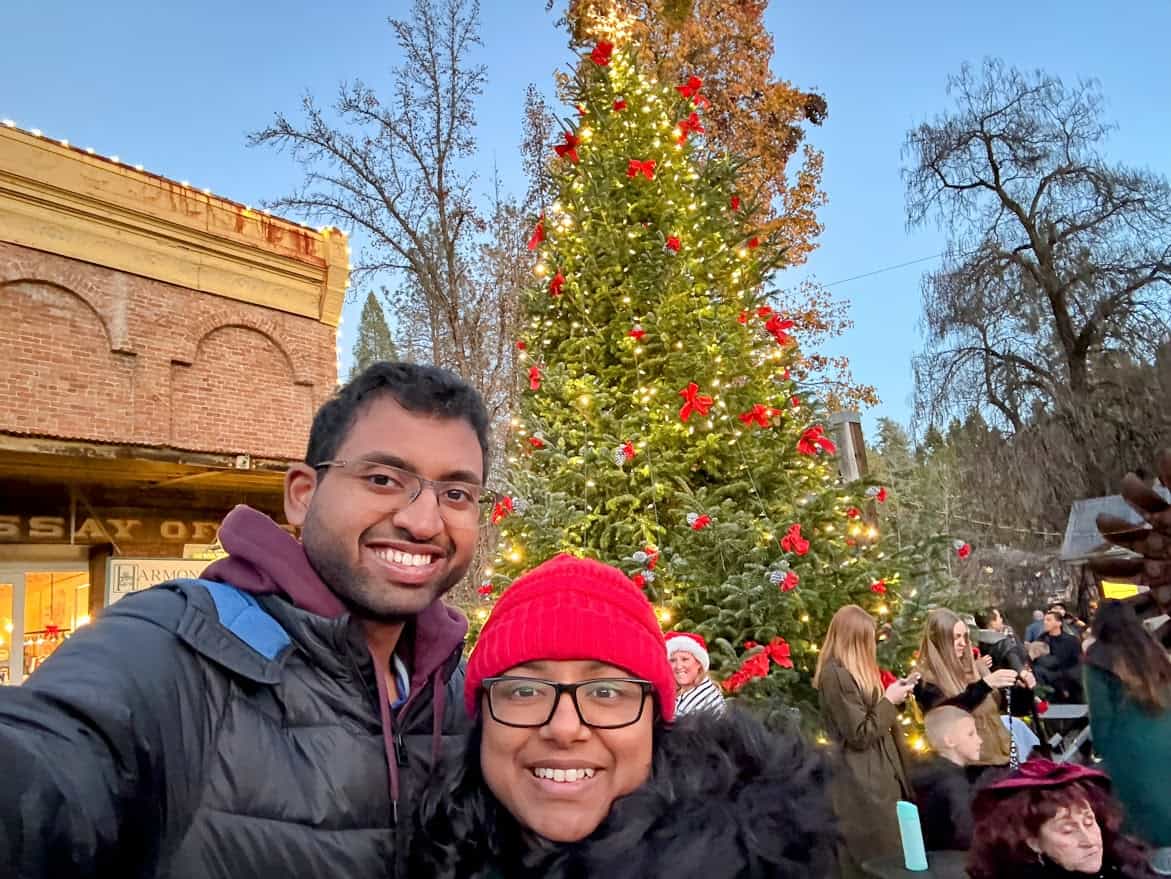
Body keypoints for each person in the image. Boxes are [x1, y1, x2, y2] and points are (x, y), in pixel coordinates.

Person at [0, 362, 490, 878]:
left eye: (456, 494)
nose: (423, 521)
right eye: (383, 479)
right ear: (302, 495)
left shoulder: (460, 691)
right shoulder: (175, 647)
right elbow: (44, 765)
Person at [410, 553, 836, 878]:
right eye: (525, 690)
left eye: (606, 692)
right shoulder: (430, 849)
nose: (564, 728)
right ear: (483, 718)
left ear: (656, 721)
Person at [814, 605, 915, 878]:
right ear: (855, 639)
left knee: (893, 856)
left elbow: (871, 715)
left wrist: (895, 697)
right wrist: (889, 701)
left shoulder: (854, 672)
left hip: (880, 775)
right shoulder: (835, 675)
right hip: (862, 783)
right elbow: (859, 733)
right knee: (877, 860)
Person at [1085, 600, 1171, 875]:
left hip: (1128, 749)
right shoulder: (1153, 649)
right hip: (1165, 737)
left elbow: (1100, 715)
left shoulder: (1098, 657)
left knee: (1142, 822)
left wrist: (1101, 753)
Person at [968, 759, 1156, 878]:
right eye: (1067, 830)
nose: (1089, 840)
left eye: (1089, 822)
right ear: (1033, 842)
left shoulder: (1124, 863)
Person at [914, 608, 1036, 771]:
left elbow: (1011, 709)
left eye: (964, 637)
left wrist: (1023, 689)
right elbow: (946, 714)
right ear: (940, 640)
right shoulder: (925, 680)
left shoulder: (976, 669)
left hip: (1002, 760)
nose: (963, 643)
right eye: (956, 637)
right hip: (970, 770)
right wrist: (984, 685)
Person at [911, 705, 982, 851]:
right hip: (956, 859)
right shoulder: (954, 784)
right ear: (949, 741)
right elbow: (967, 835)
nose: (979, 740)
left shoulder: (927, 772)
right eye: (971, 734)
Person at [666, 631, 726, 717]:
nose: (678, 666)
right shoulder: (685, 691)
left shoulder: (704, 699)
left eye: (685, 659)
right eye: (672, 660)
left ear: (699, 663)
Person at [1036, 608, 1084, 703]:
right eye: (1044, 620)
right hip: (1051, 684)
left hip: (1072, 683)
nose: (1045, 623)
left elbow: (1078, 662)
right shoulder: (1041, 640)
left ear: (1059, 623)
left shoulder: (1072, 641)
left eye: (1048, 620)